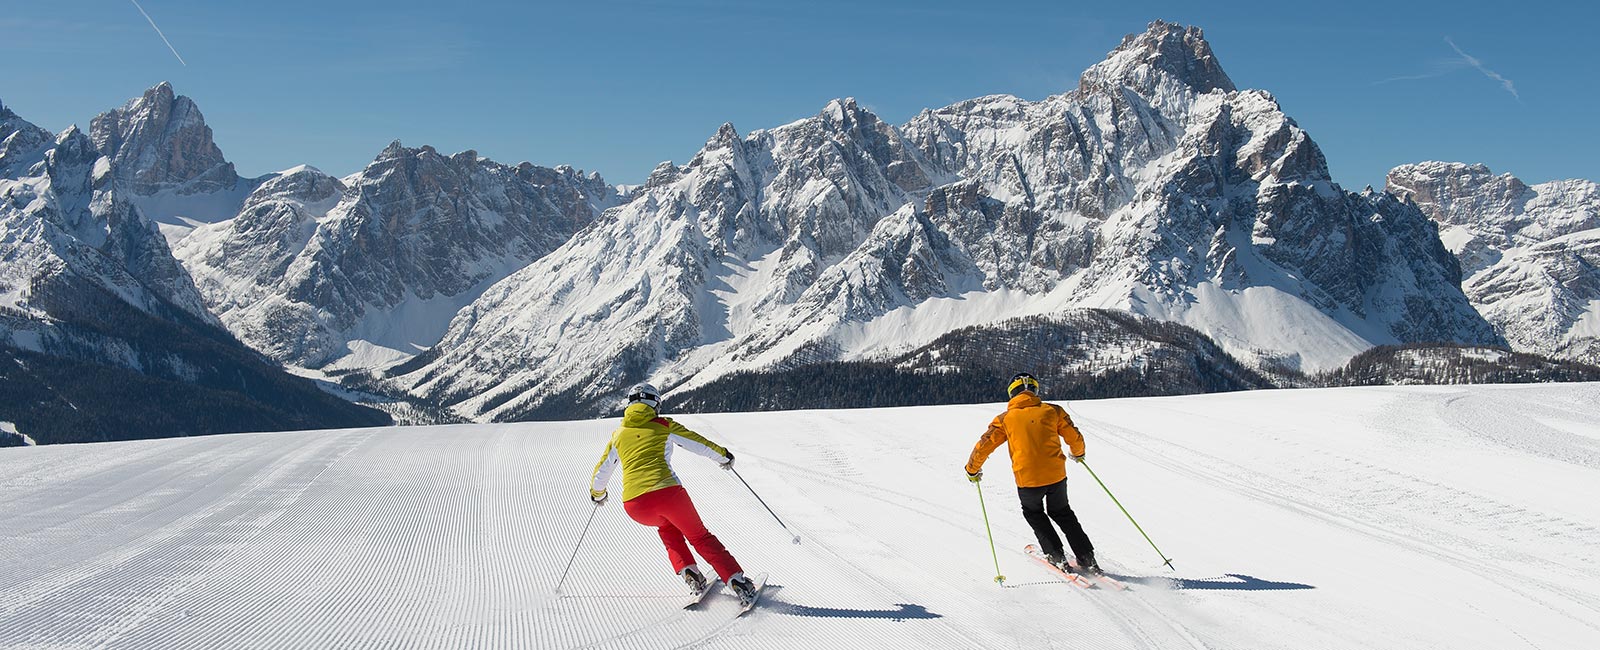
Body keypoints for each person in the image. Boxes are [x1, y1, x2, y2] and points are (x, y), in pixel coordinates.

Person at [590, 382, 758, 601]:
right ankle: (738, 581)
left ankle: (690, 572)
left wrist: (598, 494)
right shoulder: (663, 425)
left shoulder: (618, 435)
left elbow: (602, 471)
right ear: (654, 404)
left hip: (635, 506)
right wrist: (724, 457)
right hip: (668, 495)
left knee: (667, 528)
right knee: (700, 537)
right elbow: (698, 444)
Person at [964, 372, 1102, 574]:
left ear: (1012, 393)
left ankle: (1056, 556)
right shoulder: (1053, 411)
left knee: (1034, 513)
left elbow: (984, 446)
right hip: (1056, 475)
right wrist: (1078, 453)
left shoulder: (1004, 419)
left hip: (1027, 480)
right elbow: (1074, 436)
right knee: (1063, 513)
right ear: (1035, 390)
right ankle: (1087, 558)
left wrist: (972, 469)